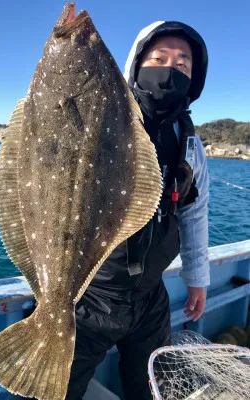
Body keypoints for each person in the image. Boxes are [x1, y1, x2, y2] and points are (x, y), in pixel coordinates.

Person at [66, 21, 210, 400]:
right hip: (90, 293)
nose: (169, 69)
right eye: (158, 58)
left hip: (150, 296)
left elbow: (195, 213)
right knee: (57, 389)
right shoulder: (102, 120)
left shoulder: (190, 144)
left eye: (183, 65)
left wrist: (197, 278)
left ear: (194, 79)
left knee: (150, 391)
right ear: (135, 64)